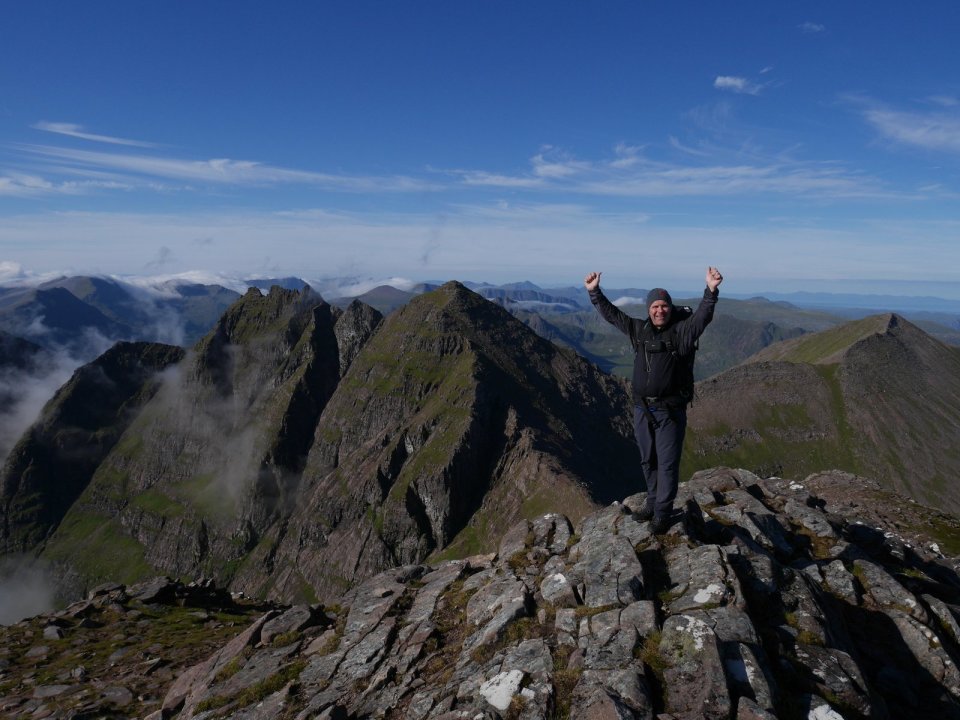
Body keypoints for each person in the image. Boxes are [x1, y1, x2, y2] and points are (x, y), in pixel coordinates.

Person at [584, 267, 723, 533]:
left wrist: (711, 291)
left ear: (671, 308)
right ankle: (651, 501)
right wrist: (594, 292)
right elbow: (614, 316)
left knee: (667, 464)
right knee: (648, 460)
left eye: (664, 306)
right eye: (655, 306)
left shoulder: (682, 333)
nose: (660, 311)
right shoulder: (639, 330)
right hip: (642, 408)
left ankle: (662, 513)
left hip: (669, 411)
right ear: (649, 309)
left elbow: (702, 318)